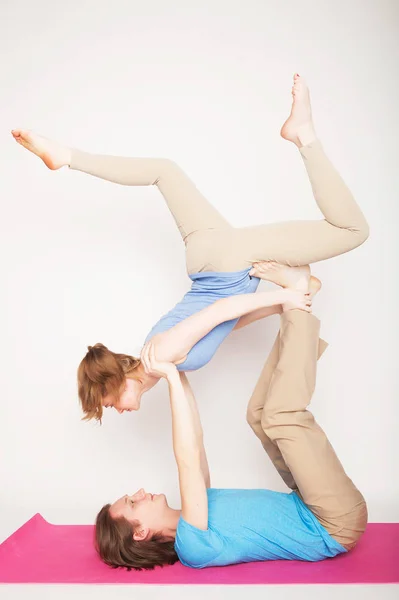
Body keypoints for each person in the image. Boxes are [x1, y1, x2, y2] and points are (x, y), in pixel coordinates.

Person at [11, 75, 369, 421]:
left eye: (105, 403)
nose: (114, 410)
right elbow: (227, 321)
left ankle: (303, 134)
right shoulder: (158, 361)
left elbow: (222, 308)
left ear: (113, 382)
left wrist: (285, 298)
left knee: (352, 230)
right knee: (164, 171)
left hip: (228, 264)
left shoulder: (159, 354)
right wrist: (281, 301)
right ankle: (67, 157)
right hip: (208, 257)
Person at [94, 268, 367, 570]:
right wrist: (170, 378)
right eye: (134, 503)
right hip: (332, 522)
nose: (140, 493)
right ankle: (297, 304)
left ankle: (295, 310)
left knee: (259, 414)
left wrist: (177, 373)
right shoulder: (192, 545)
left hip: (310, 503)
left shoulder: (196, 511)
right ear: (141, 532)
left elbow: (195, 443)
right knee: (281, 416)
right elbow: (186, 460)